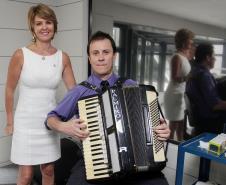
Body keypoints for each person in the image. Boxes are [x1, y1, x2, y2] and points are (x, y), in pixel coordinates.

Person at [46, 31, 170, 185]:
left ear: (114, 55)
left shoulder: (130, 85)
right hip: (96, 162)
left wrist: (162, 129)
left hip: (135, 163)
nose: (101, 57)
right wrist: (65, 126)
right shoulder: (79, 91)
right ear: (89, 58)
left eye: (106, 52)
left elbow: (152, 122)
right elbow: (50, 119)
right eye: (95, 53)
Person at [4, 4, 76, 185]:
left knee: (49, 170)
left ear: (54, 26)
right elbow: (9, 89)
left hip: (49, 122)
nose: (44, 27)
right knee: (26, 175)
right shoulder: (21, 55)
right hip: (25, 122)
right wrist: (10, 121)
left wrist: (75, 119)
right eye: (39, 23)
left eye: (48, 22)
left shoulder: (63, 57)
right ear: (33, 28)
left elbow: (74, 92)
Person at [186, 43, 226, 135]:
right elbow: (215, 105)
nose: (215, 59)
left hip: (200, 122)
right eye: (214, 56)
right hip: (210, 123)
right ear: (208, 57)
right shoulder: (204, 76)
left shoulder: (193, 72)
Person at [164, 28, 194, 141]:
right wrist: (189, 77)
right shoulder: (176, 57)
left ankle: (179, 149)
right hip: (174, 94)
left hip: (181, 95)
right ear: (184, 41)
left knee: (181, 127)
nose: (191, 42)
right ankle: (168, 151)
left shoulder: (184, 57)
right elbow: (174, 78)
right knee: (173, 127)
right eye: (190, 40)